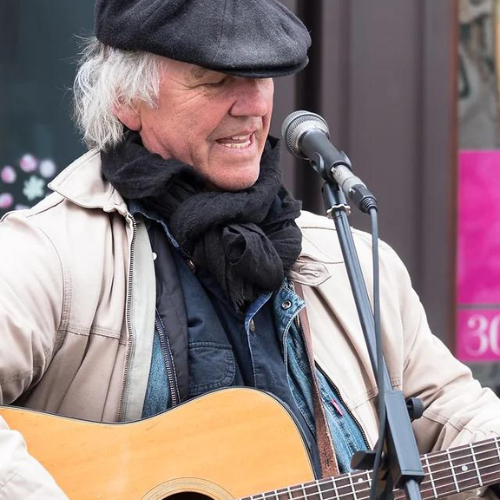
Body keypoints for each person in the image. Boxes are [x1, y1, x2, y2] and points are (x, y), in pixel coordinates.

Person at [1, 0, 500, 498]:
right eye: (214, 79)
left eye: (261, 77)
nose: (253, 106)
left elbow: (457, 414)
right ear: (127, 99)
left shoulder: (354, 264)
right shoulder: (49, 254)